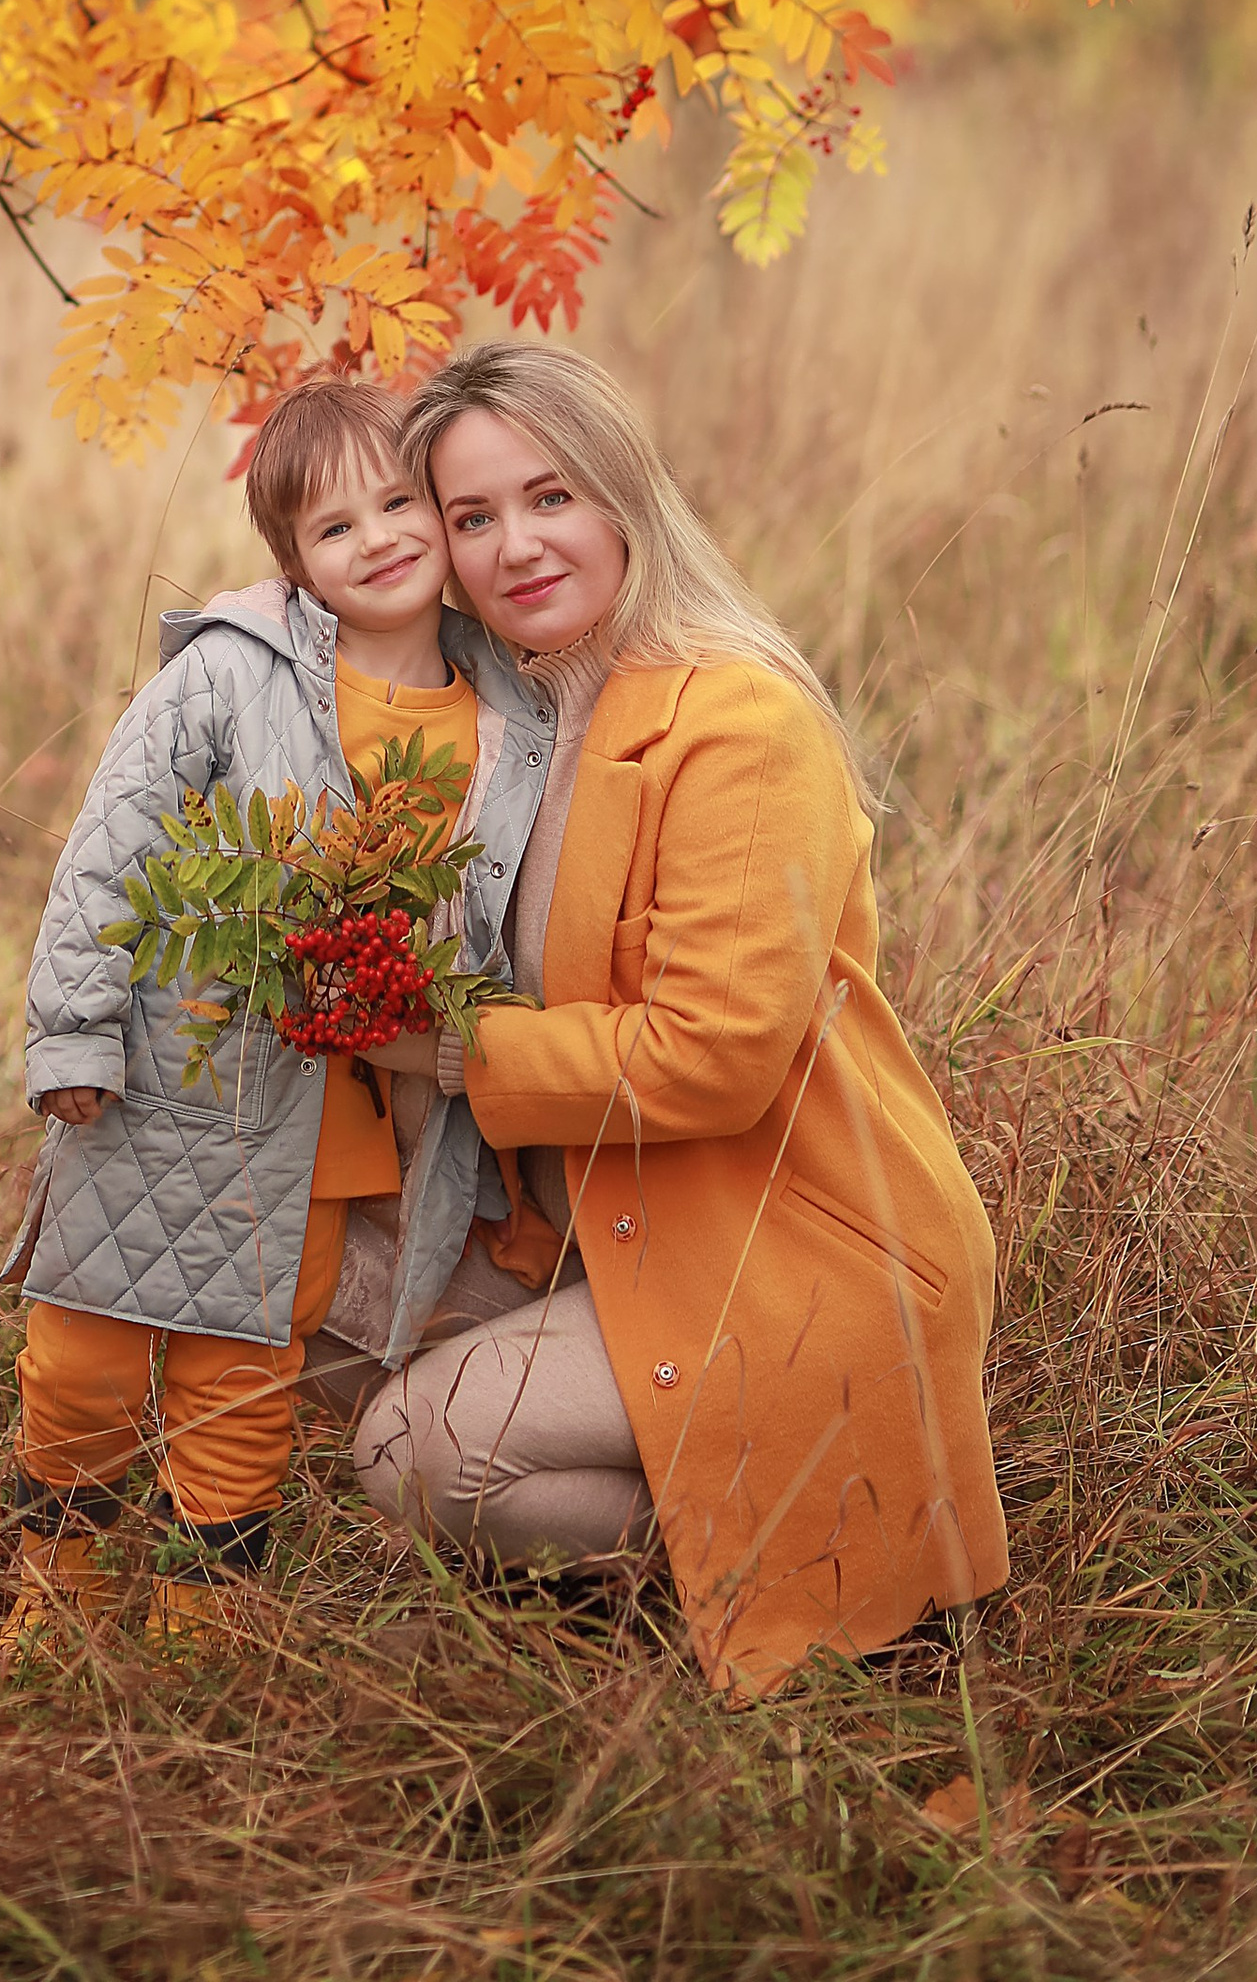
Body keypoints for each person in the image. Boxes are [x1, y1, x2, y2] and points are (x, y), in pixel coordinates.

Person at [349, 341, 1009, 1693]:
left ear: (623, 495)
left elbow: (711, 1059)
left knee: (412, 1448)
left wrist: (453, 1050)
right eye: (473, 517)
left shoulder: (735, 723)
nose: (516, 546)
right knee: (280, 1289)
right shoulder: (513, 722)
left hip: (788, 1247)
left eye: (550, 496)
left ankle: (795, 1563)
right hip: (605, 1223)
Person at [0, 370, 568, 1651]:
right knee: (84, 1355)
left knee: (249, 1366)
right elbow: (110, 852)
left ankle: (200, 1617)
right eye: (333, 526)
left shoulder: (512, 708)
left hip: (333, 1113)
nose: (379, 539)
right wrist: (73, 1032)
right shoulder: (225, 675)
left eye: (400, 503)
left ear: (444, 511)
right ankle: (57, 1584)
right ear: (294, 564)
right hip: (169, 1074)